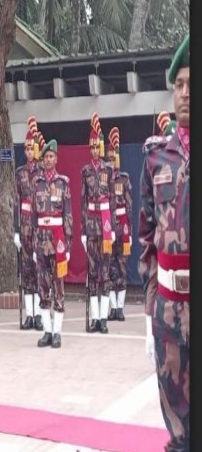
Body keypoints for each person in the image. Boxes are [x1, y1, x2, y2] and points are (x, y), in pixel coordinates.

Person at [138, 34, 189, 452]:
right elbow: (145, 235)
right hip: (170, 308)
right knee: (176, 421)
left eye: (194, 83)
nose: (187, 93)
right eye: (180, 85)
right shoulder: (157, 158)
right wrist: (151, 302)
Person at [32, 139, 73, 349]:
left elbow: (68, 216)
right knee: (43, 286)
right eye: (46, 157)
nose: (48, 160)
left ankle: (57, 332)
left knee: (58, 287)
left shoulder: (63, 183)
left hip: (57, 242)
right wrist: (32, 244)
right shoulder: (36, 183)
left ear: (56, 158)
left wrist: (68, 245)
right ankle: (47, 331)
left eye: (51, 156)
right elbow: (32, 217)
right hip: (41, 242)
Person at [79, 114, 116, 334]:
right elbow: (83, 201)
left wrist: (111, 228)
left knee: (106, 272)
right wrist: (83, 231)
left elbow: (112, 200)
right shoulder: (85, 171)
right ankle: (94, 318)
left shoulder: (108, 170)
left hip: (105, 225)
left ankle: (103, 318)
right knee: (93, 273)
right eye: (91, 147)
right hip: (92, 226)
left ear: (101, 147)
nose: (94, 150)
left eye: (97, 147)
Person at [15, 117, 44, 330]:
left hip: (40, 228)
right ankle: (30, 314)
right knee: (26, 271)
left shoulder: (42, 173)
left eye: (30, 147)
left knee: (41, 269)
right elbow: (17, 202)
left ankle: (41, 314)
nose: (28, 151)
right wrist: (16, 230)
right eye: (25, 148)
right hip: (25, 226)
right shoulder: (20, 174)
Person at [105, 127, 132, 321]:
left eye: (113, 158)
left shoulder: (124, 179)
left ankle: (120, 308)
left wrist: (128, 231)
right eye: (108, 158)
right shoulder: (103, 181)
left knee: (121, 266)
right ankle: (112, 307)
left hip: (121, 227)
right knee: (108, 266)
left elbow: (129, 207)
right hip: (108, 227)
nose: (111, 161)